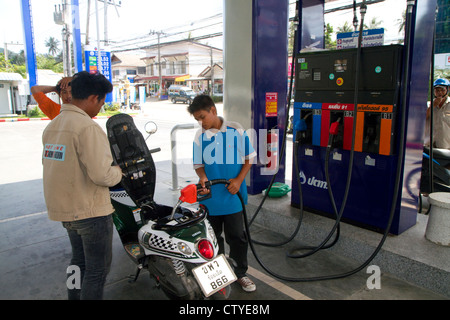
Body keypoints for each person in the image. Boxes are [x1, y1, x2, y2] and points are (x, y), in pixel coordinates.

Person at [42, 71, 122, 300]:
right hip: (90, 212)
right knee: (96, 271)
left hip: (67, 212)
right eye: (102, 102)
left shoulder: (55, 124)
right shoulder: (87, 127)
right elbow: (102, 175)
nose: (100, 108)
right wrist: (118, 172)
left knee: (77, 262)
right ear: (93, 98)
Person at [187, 95, 257, 292]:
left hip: (233, 197)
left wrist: (238, 180)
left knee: (236, 236)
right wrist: (202, 178)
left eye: (202, 117)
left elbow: (249, 158)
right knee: (213, 238)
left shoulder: (236, 129)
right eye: (196, 120)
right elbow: (198, 165)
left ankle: (240, 273)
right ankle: (220, 277)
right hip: (210, 199)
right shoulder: (199, 136)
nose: (200, 123)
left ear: (213, 111)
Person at [426, 78, 450, 149]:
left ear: (447, 90)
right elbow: (421, 120)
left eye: (442, 90)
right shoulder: (428, 105)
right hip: (429, 146)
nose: (440, 92)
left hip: (446, 147)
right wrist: (432, 106)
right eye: (437, 90)